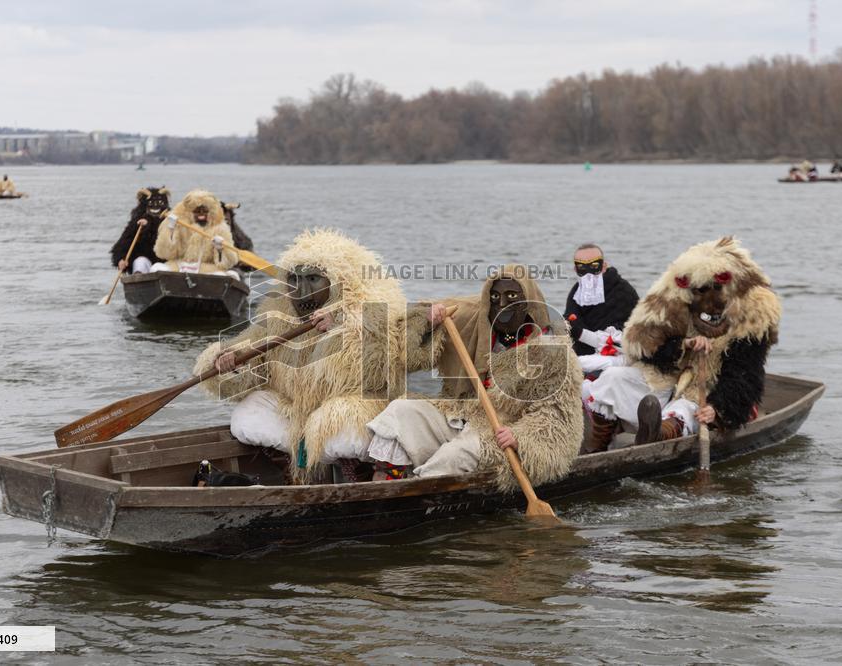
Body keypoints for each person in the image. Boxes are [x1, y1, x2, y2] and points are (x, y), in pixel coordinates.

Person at [194, 228, 420, 483]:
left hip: (355, 410)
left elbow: (385, 369)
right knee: (248, 413)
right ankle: (295, 461)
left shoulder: (375, 310)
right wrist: (230, 359)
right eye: (294, 280)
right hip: (297, 416)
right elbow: (252, 362)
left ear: (337, 283)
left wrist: (342, 325)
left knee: (341, 429)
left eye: (313, 279)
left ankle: (355, 469)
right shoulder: (278, 313)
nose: (301, 291)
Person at [366, 265, 584, 489]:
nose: (502, 305)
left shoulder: (552, 353)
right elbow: (410, 352)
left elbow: (557, 416)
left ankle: (415, 494)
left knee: (457, 454)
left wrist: (519, 437)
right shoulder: (474, 326)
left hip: (502, 430)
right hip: (462, 413)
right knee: (400, 411)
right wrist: (429, 321)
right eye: (495, 297)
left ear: (527, 301)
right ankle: (386, 483)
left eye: (511, 296)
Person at [583, 237, 781, 452]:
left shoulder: (748, 324)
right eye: (700, 290)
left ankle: (657, 436)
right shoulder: (676, 307)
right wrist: (683, 345)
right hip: (665, 381)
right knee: (615, 378)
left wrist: (718, 408)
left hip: (706, 390)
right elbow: (644, 347)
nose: (708, 301)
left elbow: (743, 376)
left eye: (715, 289)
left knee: (684, 409)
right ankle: (598, 445)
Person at [563, 243, 638, 378]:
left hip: (617, 357)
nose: (588, 273)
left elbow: (627, 335)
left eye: (594, 266)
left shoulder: (623, 292)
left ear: (603, 266)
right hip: (582, 357)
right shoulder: (576, 293)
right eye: (582, 268)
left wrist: (581, 333)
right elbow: (569, 323)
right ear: (575, 269)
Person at [152, 189, 241, 277]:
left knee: (224, 275)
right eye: (197, 211)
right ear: (190, 212)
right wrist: (170, 229)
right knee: (156, 268)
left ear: (210, 212)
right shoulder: (179, 224)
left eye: (204, 210)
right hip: (179, 266)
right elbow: (165, 254)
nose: (201, 214)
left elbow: (227, 263)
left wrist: (220, 249)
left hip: (206, 269)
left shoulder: (220, 228)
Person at [110, 187, 170, 274]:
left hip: (164, 263)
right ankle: (139, 280)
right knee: (140, 262)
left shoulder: (170, 223)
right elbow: (123, 244)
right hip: (144, 261)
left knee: (160, 268)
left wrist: (150, 224)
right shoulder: (137, 224)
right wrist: (120, 259)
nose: (155, 206)